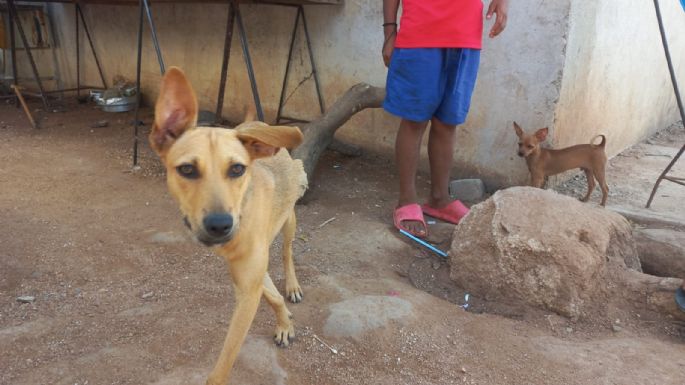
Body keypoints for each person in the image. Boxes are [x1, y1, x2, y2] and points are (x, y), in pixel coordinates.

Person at [382, 0, 508, 237]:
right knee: (414, 120)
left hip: (465, 35)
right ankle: (406, 200)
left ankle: (439, 199)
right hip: (419, 33)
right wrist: (390, 32)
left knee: (447, 122)